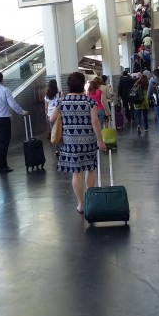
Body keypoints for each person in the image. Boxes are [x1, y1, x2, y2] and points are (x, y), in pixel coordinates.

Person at [50, 72, 107, 214]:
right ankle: (89, 199)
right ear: (82, 85)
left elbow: (52, 119)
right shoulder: (89, 101)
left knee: (76, 173)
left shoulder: (62, 101)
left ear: (69, 85)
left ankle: (81, 204)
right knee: (91, 169)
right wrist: (101, 141)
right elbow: (95, 122)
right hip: (88, 140)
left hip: (70, 143)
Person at [44, 79, 61, 156]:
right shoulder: (59, 94)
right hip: (58, 114)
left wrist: (46, 115)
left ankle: (56, 149)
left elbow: (46, 107)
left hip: (50, 115)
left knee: (53, 132)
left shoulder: (47, 95)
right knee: (60, 130)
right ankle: (62, 148)